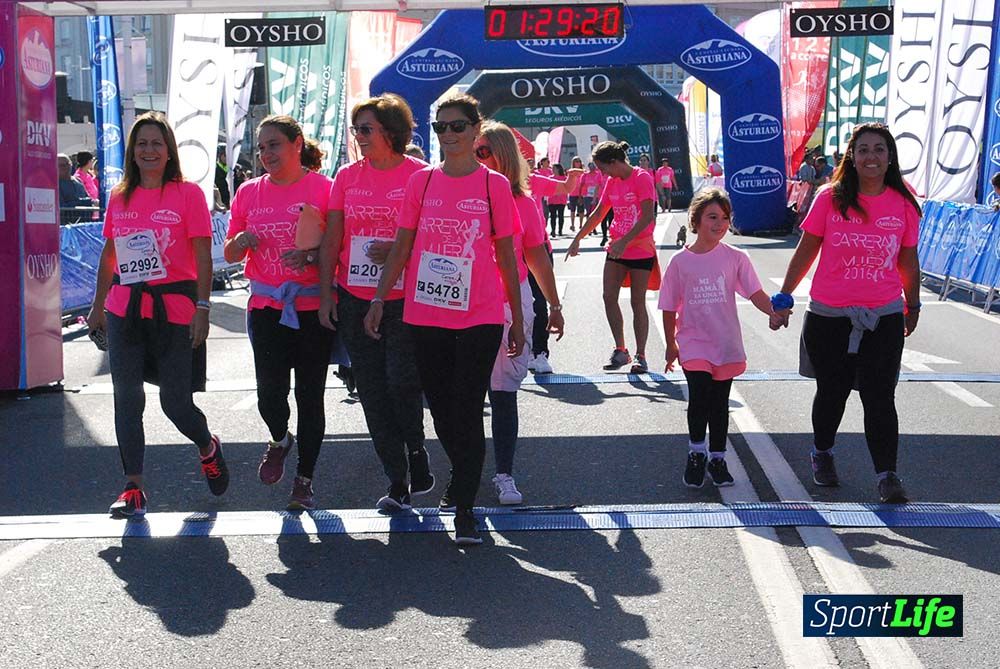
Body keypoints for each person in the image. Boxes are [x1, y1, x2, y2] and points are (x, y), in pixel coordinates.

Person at [363, 93, 525, 545]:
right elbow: (401, 244)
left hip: (481, 315)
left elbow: (507, 256)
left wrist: (518, 318)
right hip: (426, 313)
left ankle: (467, 509)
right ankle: (460, 475)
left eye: (457, 126)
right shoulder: (422, 182)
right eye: (441, 127)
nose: (449, 135)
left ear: (476, 131)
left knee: (469, 407)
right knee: (442, 411)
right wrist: (379, 299)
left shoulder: (493, 186)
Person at [772, 122, 922, 504]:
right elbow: (807, 249)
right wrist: (785, 295)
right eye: (864, 150)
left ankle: (887, 475)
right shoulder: (829, 197)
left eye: (879, 150)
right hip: (830, 314)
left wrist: (913, 302)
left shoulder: (904, 202)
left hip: (883, 314)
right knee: (833, 391)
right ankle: (822, 453)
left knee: (879, 397)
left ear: (890, 157)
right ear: (851, 158)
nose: (871, 157)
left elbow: (907, 258)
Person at [86, 111, 226, 517]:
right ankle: (133, 488)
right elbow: (110, 254)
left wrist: (203, 307)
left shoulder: (188, 194)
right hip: (124, 306)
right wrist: (97, 307)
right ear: (133, 151)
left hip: (176, 306)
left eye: (156, 144)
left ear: (168, 152)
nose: (148, 150)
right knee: (127, 397)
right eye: (142, 144)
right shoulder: (119, 195)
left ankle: (207, 445)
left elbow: (202, 254)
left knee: (175, 403)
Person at [317, 93, 432, 512]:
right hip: (354, 295)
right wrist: (327, 289)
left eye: (366, 129)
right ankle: (397, 480)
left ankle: (416, 448)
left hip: (405, 298)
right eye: (356, 130)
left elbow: (436, 235)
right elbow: (333, 236)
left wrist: (400, 249)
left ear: (391, 131)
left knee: (402, 380)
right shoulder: (347, 177)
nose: (359, 137)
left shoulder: (420, 174)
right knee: (371, 390)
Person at [224, 115, 336, 511]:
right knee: (269, 394)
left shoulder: (324, 188)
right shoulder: (248, 192)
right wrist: (240, 240)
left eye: (274, 144)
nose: (266, 153)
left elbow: (339, 248)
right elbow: (230, 252)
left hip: (310, 307)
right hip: (267, 307)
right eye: (261, 147)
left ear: (297, 144)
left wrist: (309, 255)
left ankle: (304, 480)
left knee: (311, 396)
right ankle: (279, 439)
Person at [475, 120, 565, 505]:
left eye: (482, 151)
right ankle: (462, 478)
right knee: (461, 398)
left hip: (512, 307)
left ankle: (503, 474)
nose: (475, 157)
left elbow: (537, 259)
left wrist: (555, 306)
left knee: (503, 394)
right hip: (460, 309)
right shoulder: (449, 192)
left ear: (503, 155)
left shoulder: (522, 202)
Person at [659, 188, 775, 487]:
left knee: (720, 403)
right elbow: (669, 305)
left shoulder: (735, 257)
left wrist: (773, 312)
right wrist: (671, 344)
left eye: (725, 218)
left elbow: (755, 293)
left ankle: (718, 458)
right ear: (696, 220)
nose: (720, 224)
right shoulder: (680, 263)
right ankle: (696, 453)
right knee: (699, 399)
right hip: (693, 342)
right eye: (712, 217)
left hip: (725, 342)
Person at [566, 140, 657, 374]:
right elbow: (599, 213)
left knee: (638, 302)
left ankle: (641, 355)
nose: (602, 173)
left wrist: (626, 241)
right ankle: (621, 350)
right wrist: (578, 238)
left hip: (639, 248)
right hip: (616, 246)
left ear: (615, 162)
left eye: (603, 167)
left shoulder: (641, 177)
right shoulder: (611, 181)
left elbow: (647, 217)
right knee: (609, 296)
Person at [525, 157, 581, 376]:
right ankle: (519, 350)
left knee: (538, 301)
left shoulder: (534, 180)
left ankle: (539, 352)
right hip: (506, 250)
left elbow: (566, 187)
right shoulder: (493, 181)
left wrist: (572, 178)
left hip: (537, 247)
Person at [547, 163, 568, 237]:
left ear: (559, 169)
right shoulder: (550, 178)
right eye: (552, 169)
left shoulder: (564, 178)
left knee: (560, 216)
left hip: (561, 200)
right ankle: (553, 230)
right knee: (552, 216)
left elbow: (567, 188)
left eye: (554, 168)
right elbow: (547, 188)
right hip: (552, 200)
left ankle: (560, 230)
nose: (553, 170)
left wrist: (561, 192)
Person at [567, 155, 585, 232]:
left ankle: (581, 224)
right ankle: (572, 224)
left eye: (579, 161)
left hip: (581, 193)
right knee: (572, 209)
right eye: (576, 162)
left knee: (581, 210)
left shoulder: (583, 171)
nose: (577, 163)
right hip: (572, 193)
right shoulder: (571, 171)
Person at [215, 144, 231, 209]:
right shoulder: (214, 170)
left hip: (230, 203)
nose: (228, 158)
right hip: (220, 205)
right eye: (226, 155)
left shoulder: (232, 169)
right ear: (220, 156)